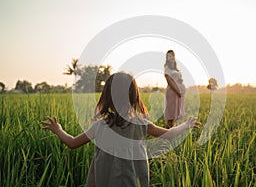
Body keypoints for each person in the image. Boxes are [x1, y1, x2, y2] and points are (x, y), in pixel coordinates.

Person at [41, 72, 199, 187]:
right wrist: (186, 125)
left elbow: (72, 142)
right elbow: (169, 135)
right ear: (134, 96)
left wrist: (58, 129)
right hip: (132, 181)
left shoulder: (101, 126)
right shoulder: (141, 124)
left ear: (107, 97)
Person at [164, 50, 186, 128]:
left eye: (172, 55)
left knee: (176, 115)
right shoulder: (167, 68)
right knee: (171, 115)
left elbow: (177, 80)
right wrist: (178, 91)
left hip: (179, 93)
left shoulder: (176, 69)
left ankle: (173, 132)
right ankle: (167, 133)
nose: (171, 57)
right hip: (172, 92)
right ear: (167, 58)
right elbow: (170, 82)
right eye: (169, 56)